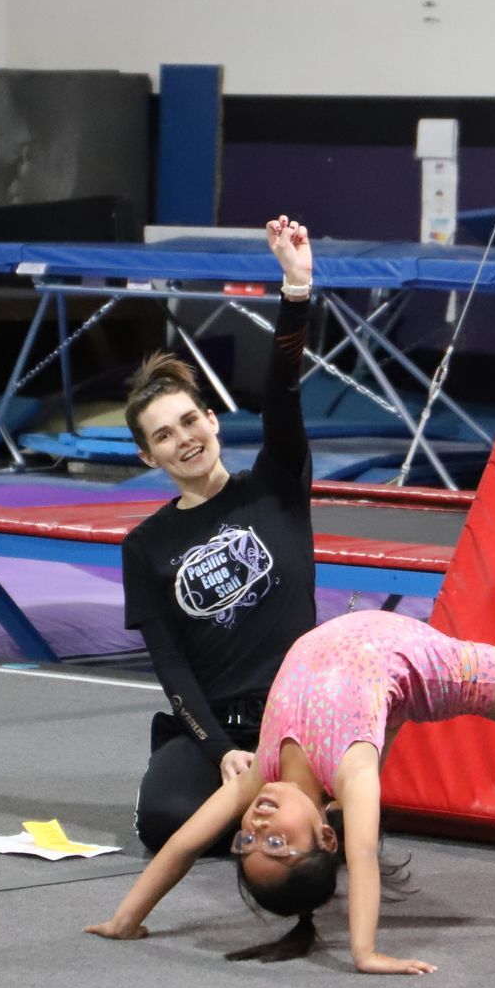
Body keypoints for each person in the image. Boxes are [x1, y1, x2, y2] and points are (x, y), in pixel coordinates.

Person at [85, 609, 495, 974]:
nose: (256, 830)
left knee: (385, 710)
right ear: (324, 838)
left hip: (376, 660)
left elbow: (184, 843)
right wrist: (365, 952)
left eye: (245, 844)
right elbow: (363, 854)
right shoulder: (353, 769)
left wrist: (125, 920)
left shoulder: (260, 773)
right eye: (277, 845)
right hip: (434, 666)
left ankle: (390, 711)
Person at [120, 215, 318, 852]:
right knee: (165, 821)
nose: (184, 441)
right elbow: (172, 666)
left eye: (188, 421)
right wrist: (222, 750)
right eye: (163, 436)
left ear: (212, 418)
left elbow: (283, 395)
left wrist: (295, 291)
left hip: (295, 721)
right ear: (149, 457)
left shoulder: (275, 486)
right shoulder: (146, 547)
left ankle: (262, 811)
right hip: (217, 725)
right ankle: (238, 801)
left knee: (319, 834)